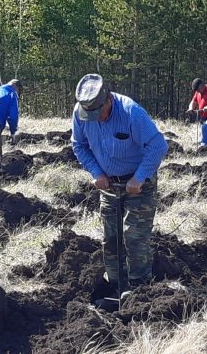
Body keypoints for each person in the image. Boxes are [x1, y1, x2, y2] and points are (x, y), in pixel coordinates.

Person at [71, 74, 168, 295]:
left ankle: (139, 290)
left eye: (99, 113)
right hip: (108, 187)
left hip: (138, 185)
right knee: (111, 238)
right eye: (90, 114)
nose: (95, 119)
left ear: (109, 100)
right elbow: (79, 145)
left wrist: (140, 177)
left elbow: (158, 146)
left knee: (134, 237)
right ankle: (115, 285)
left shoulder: (131, 112)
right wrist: (96, 173)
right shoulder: (80, 114)